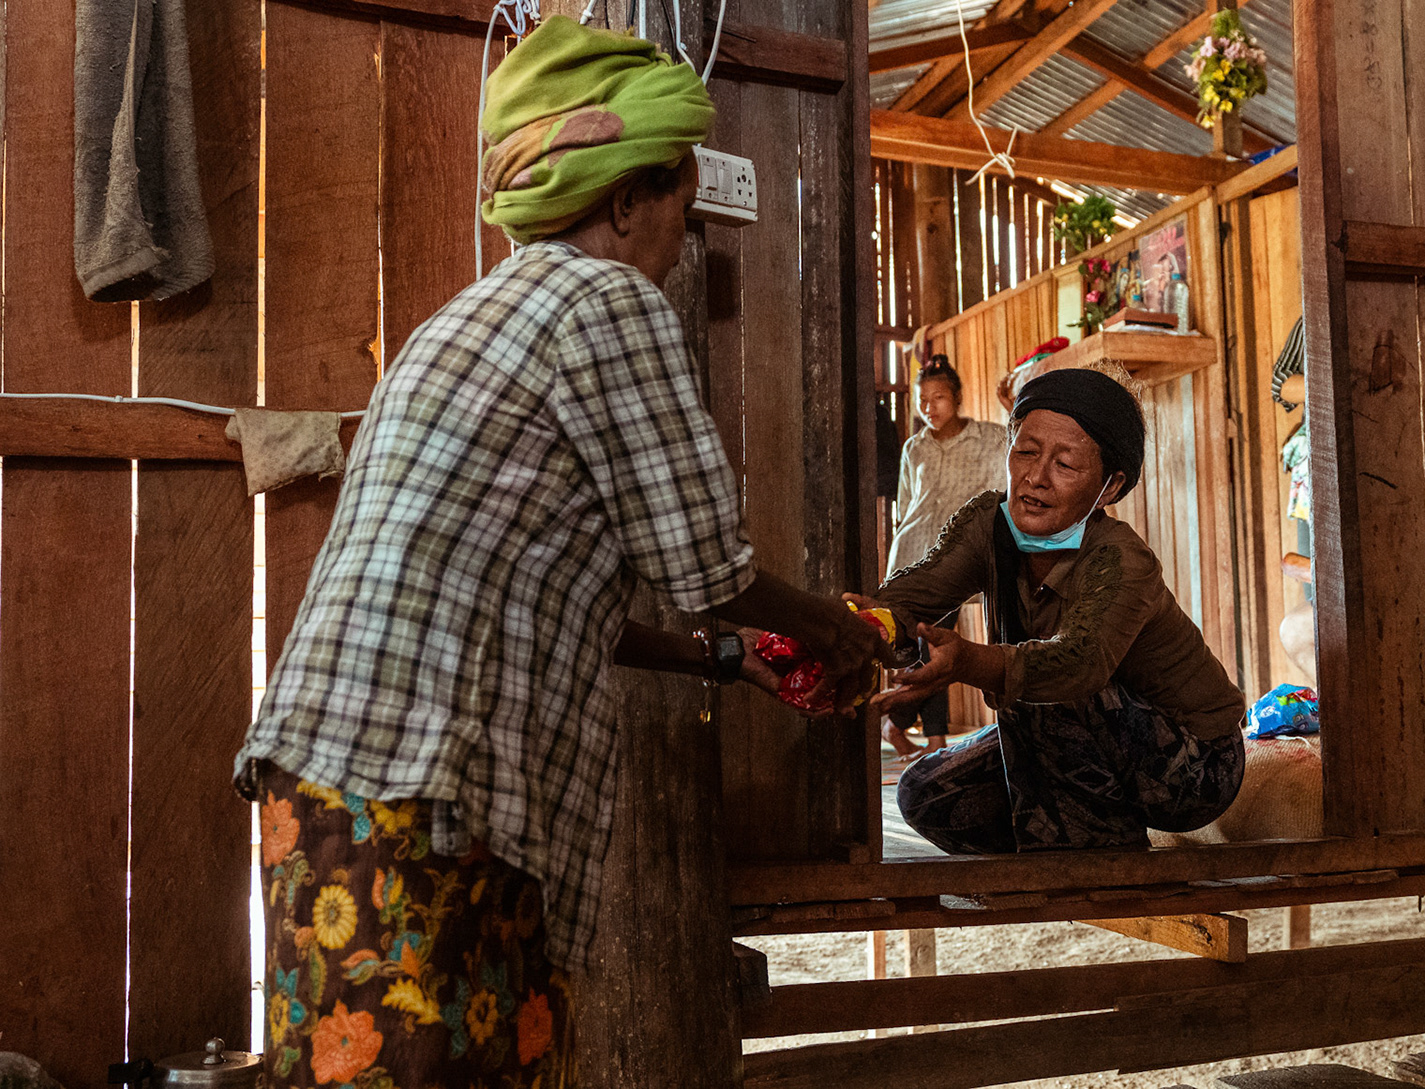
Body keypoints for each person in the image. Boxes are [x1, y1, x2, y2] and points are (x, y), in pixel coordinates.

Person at [232, 19, 885, 1088]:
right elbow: (705, 570)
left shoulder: (467, 316)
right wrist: (836, 631)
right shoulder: (607, 298)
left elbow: (537, 592)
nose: (682, 237)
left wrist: (728, 659)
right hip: (422, 786)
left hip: (336, 782)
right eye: (678, 205)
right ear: (626, 201)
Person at [855, 368, 1247, 854]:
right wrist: (865, 627)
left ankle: (1099, 851)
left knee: (1051, 690)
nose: (1035, 478)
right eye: (1026, 451)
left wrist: (968, 662)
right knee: (927, 794)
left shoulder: (1119, 558)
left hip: (1197, 766)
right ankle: (1067, 831)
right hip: (1075, 733)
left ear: (1108, 487)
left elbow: (1078, 666)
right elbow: (915, 596)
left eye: (1065, 465)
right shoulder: (989, 524)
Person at [883, 355, 1008, 758]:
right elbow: (905, 505)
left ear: (956, 398)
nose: (929, 407)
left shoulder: (989, 438)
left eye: (938, 397)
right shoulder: (913, 448)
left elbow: (1015, 460)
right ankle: (932, 738)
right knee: (928, 644)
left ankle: (897, 722)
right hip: (913, 555)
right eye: (923, 399)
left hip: (957, 560)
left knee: (934, 643)